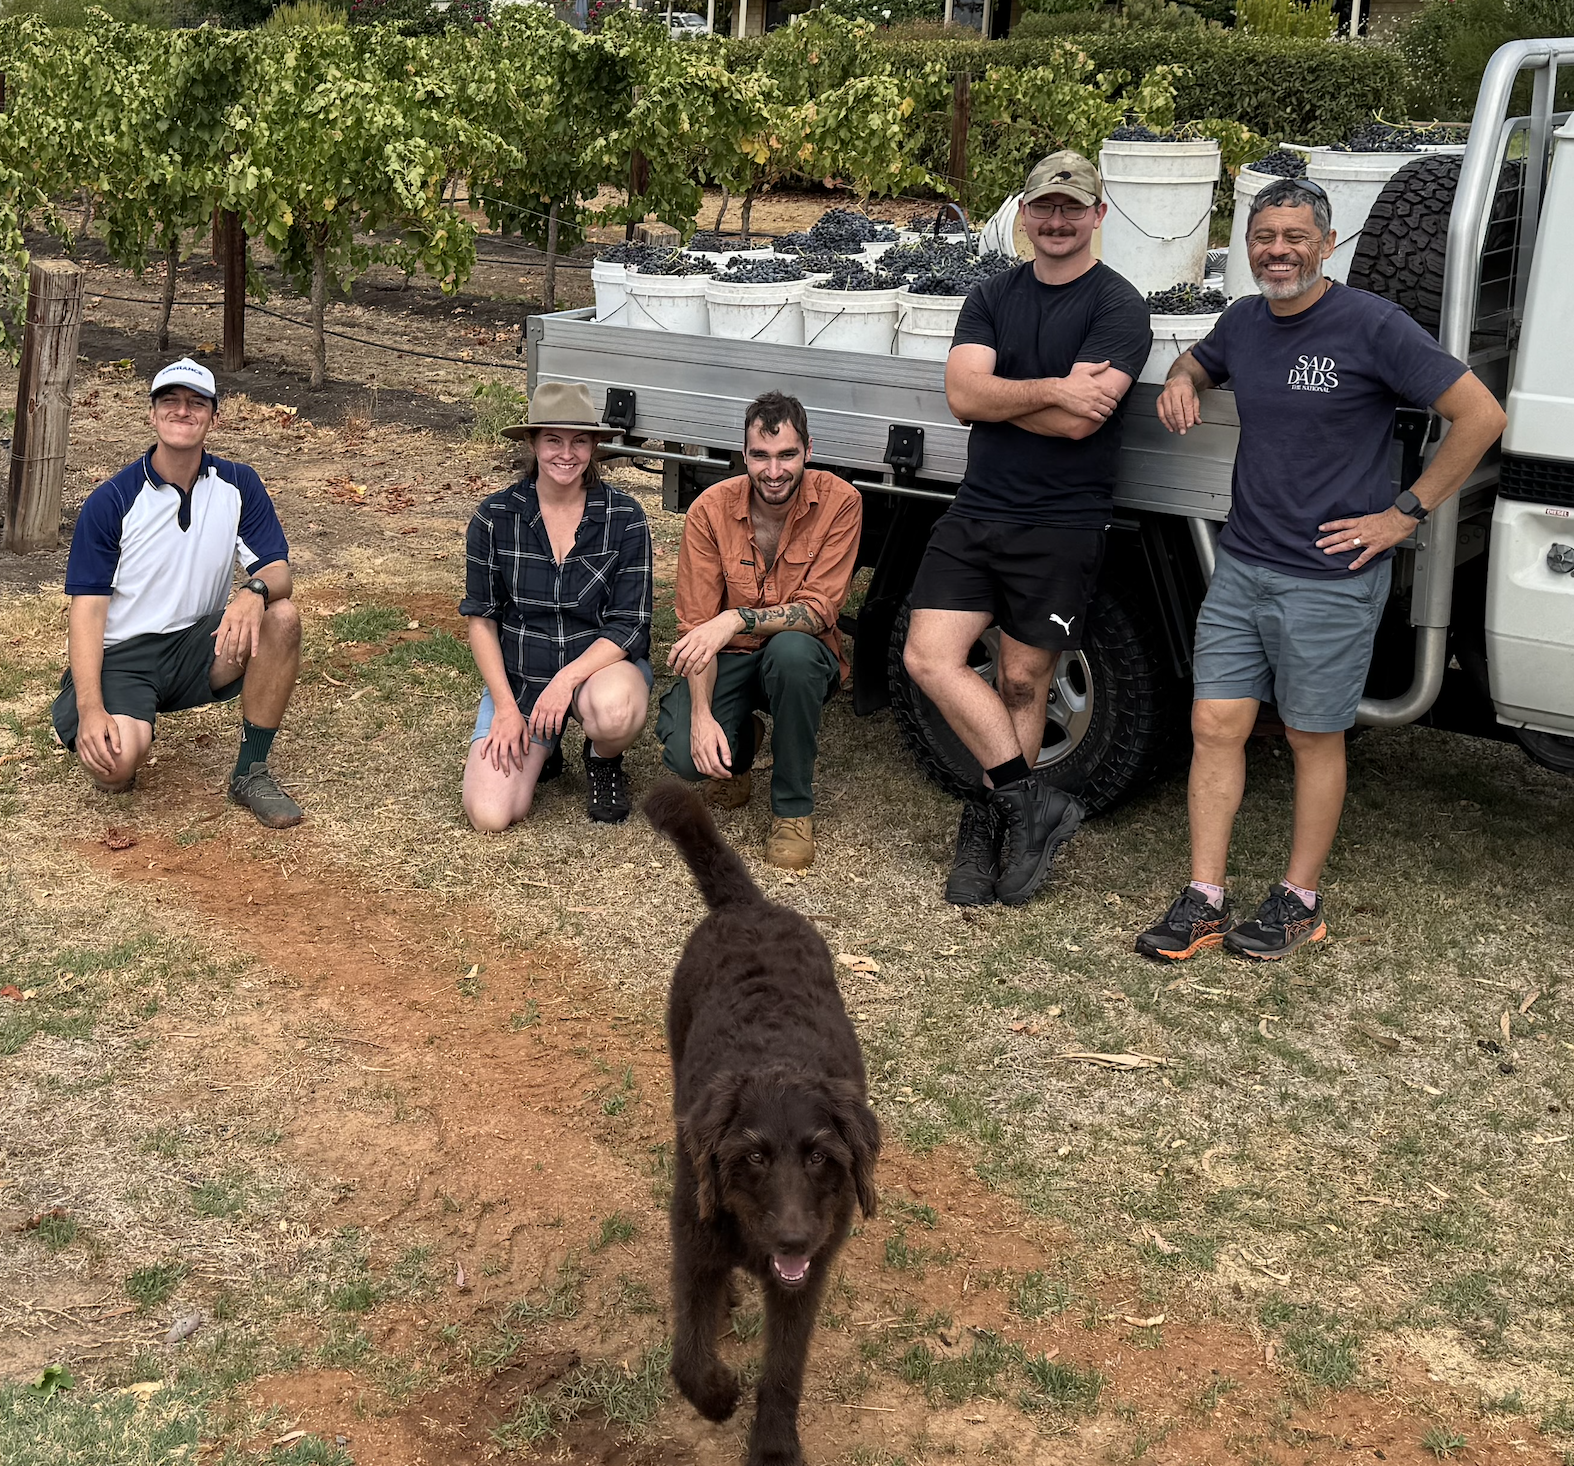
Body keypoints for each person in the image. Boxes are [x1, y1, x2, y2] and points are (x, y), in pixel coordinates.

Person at [1135, 176, 1506, 962]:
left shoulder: (1372, 324)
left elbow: (1482, 416)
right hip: (1243, 564)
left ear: (1326, 245)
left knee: (1312, 736)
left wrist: (1405, 513)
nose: (1278, 252)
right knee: (1214, 726)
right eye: (1264, 237)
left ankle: (1299, 900)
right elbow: (1201, 363)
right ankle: (1205, 896)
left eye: (1295, 238)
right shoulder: (1243, 322)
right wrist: (1179, 380)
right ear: (1248, 247)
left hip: (1330, 576)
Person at [901, 151, 1153, 908]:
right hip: (979, 508)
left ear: (1098, 217)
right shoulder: (990, 295)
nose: (1056, 221)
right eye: (1045, 206)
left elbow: (1085, 420)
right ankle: (1028, 800)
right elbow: (960, 394)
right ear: (1025, 214)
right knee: (928, 657)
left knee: (1019, 678)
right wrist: (1049, 391)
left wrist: (1003, 395)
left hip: (1063, 519)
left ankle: (989, 827)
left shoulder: (1118, 306)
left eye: (1072, 208)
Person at [53, 358, 305, 827]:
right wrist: (91, 710)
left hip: (195, 646)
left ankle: (251, 770)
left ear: (214, 416)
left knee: (281, 616)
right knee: (117, 765)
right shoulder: (112, 501)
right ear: (153, 414)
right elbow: (86, 612)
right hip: (124, 656)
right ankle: (86, 702)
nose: (182, 411)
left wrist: (253, 591)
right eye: (170, 400)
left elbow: (277, 570)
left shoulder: (238, 483)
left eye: (196, 402)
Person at [656, 392, 861, 871]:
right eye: (761, 456)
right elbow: (695, 626)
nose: (774, 471)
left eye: (787, 454)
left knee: (791, 653)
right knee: (686, 754)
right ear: (743, 454)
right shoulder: (710, 510)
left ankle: (792, 811)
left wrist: (736, 618)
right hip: (730, 659)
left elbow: (819, 611)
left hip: (800, 658)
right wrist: (703, 717)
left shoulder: (840, 503)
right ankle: (740, 738)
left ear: (808, 450)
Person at [460, 381, 653, 830]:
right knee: (491, 814)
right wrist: (507, 709)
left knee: (616, 711)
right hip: (524, 680)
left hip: (598, 673)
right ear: (532, 443)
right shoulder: (495, 516)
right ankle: (543, 743)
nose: (566, 454)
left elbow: (630, 624)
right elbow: (481, 620)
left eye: (579, 441)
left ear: (594, 447)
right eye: (553, 440)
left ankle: (602, 758)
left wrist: (567, 680)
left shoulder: (624, 517)